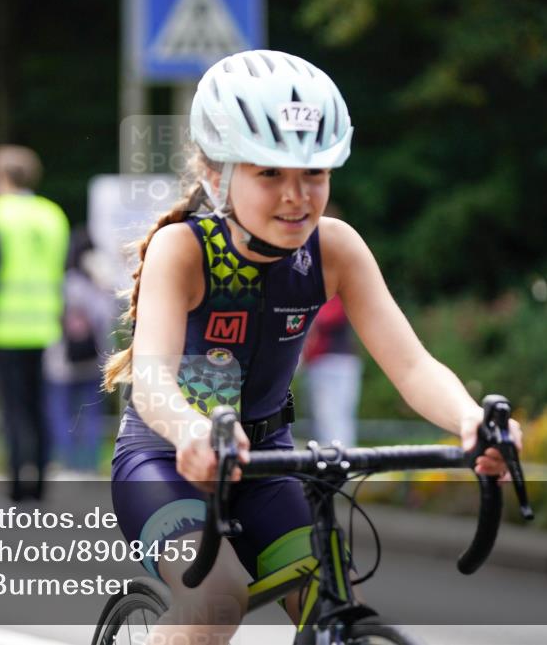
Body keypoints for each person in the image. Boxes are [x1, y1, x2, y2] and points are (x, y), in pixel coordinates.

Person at [102, 50, 522, 643]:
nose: (296, 196)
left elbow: (412, 364)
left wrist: (471, 420)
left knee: (331, 600)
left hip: (271, 459)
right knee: (216, 598)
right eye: (269, 173)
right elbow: (152, 379)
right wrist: (190, 429)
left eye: (314, 174)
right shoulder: (184, 248)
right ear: (215, 174)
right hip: (168, 460)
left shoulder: (335, 249)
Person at [0, 144, 69, 502]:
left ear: (1, 177)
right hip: (46, 329)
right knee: (41, 408)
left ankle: (15, 485)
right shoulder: (53, 215)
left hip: (5, 330)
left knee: (13, 411)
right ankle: (40, 484)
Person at [43, 226, 116, 474]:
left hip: (61, 362)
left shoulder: (64, 284)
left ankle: (66, 462)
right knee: (92, 414)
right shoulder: (99, 287)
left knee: (61, 411)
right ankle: (90, 463)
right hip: (95, 359)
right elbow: (109, 319)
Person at [301, 294, 362, 447]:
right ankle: (337, 463)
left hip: (332, 364)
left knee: (332, 424)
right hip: (326, 363)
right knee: (332, 422)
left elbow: (320, 319)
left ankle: (336, 464)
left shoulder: (333, 291)